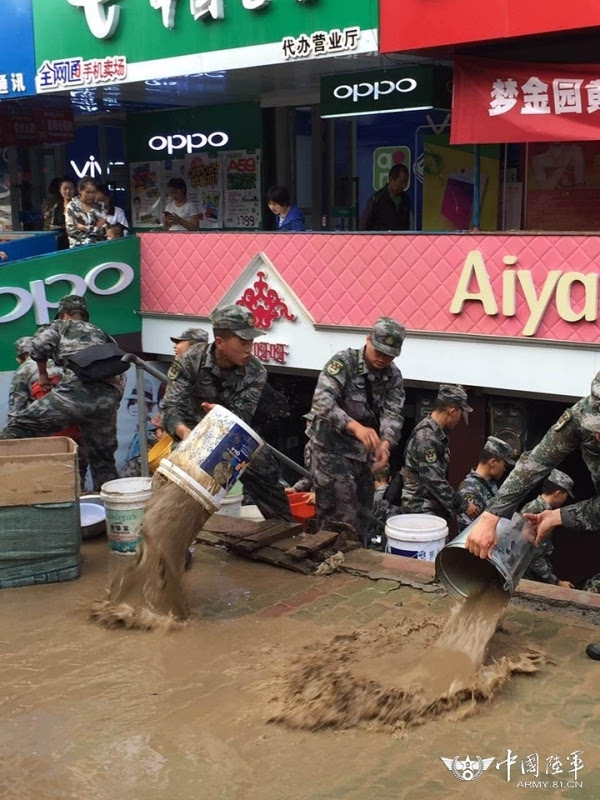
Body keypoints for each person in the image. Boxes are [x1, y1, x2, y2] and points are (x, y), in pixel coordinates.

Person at [464, 373, 600, 661]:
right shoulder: (582, 416)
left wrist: (560, 516)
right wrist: (491, 517)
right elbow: (534, 464)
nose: (598, 435)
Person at [160, 304, 293, 521]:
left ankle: (287, 531)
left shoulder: (255, 372)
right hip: (193, 436)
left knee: (267, 474)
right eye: (243, 342)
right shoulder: (191, 360)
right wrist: (185, 433)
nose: (249, 348)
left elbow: (241, 417)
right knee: (179, 491)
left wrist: (220, 417)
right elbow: (170, 407)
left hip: (234, 435)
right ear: (220, 342)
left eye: (251, 341)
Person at [0, 295, 124, 491]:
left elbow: (39, 347)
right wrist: (109, 404)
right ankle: (110, 511)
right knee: (103, 459)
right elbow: (120, 368)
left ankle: (11, 488)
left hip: (74, 394)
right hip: (107, 401)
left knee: (16, 429)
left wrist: (42, 375)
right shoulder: (104, 335)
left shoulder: (61, 325)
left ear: (65, 314)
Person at [309, 317, 406, 545]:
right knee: (338, 518)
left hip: (363, 458)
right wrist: (354, 426)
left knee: (363, 516)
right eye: (379, 351)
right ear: (368, 339)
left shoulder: (393, 376)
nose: (383, 358)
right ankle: (329, 566)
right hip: (331, 452)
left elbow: (393, 414)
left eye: (389, 354)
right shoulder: (344, 362)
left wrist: (385, 444)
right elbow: (321, 401)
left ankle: (354, 567)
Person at [401, 384, 478, 523]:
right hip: (420, 508)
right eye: (460, 415)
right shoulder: (427, 438)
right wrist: (463, 505)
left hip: (427, 506)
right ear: (452, 411)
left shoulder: (434, 434)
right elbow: (434, 480)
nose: (459, 420)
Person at [521, 470, 575, 588]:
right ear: (557, 493)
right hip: (528, 579)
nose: (566, 500)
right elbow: (533, 555)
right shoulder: (536, 511)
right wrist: (556, 582)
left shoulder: (538, 508)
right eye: (566, 495)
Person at [456, 436, 516, 532]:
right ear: (493, 462)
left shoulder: (490, 484)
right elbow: (468, 530)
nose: (504, 469)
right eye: (504, 465)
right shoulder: (470, 489)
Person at [359, 164, 410, 232]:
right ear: (391, 179)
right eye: (401, 182)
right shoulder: (377, 199)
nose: (403, 185)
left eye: (406, 182)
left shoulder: (405, 199)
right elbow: (364, 225)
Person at [65, 178, 107, 247]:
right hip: (78, 249)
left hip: (98, 247)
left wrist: (84, 228)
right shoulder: (71, 207)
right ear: (80, 191)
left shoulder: (100, 206)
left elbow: (104, 230)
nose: (90, 195)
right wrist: (95, 228)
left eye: (93, 192)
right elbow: (71, 231)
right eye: (87, 192)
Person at [285, 411, 315, 501]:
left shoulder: (332, 446)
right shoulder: (309, 446)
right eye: (307, 421)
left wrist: (320, 495)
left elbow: (339, 478)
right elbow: (311, 475)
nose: (307, 424)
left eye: (311, 421)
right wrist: (296, 488)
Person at [49, 178, 76, 250]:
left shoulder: (79, 205)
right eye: (65, 188)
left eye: (71, 188)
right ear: (60, 190)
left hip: (76, 241)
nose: (68, 191)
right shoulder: (57, 206)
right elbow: (52, 226)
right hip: (61, 243)